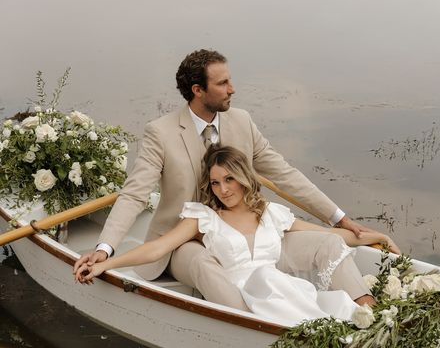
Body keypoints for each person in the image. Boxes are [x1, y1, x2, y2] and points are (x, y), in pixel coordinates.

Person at [75, 48, 395, 310]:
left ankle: (366, 310)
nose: (233, 89)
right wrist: (105, 250)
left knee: (327, 241)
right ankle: (256, 327)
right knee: (202, 263)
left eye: (230, 80)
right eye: (223, 83)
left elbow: (284, 174)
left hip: (244, 233)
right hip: (186, 240)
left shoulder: (241, 121)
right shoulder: (161, 133)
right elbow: (134, 195)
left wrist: (340, 219)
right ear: (198, 90)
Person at [75, 146, 400, 326]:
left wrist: (377, 238)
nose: (223, 189)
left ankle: (367, 312)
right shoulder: (205, 218)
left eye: (229, 179)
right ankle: (259, 330)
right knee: (262, 281)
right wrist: (108, 263)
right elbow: (158, 247)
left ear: (244, 178)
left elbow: (330, 236)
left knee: (305, 264)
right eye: (215, 183)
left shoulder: (271, 213)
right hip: (238, 298)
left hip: (277, 288)